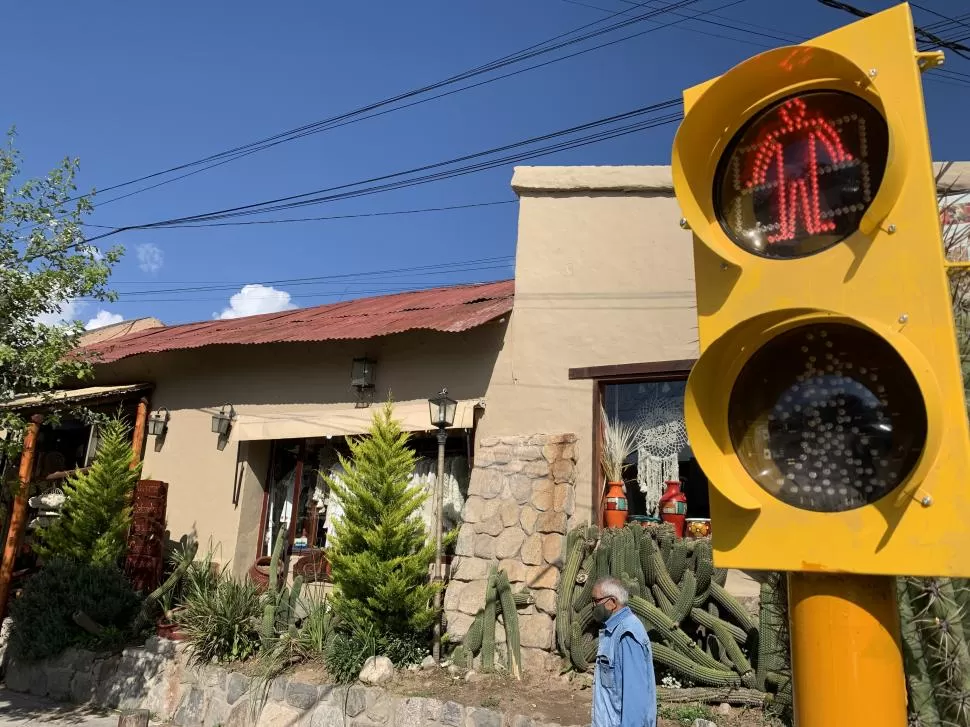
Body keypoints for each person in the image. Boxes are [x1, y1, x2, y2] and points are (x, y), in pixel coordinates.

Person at [591, 577, 657, 727]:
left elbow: (634, 698)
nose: (593, 606)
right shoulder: (614, 630)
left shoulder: (627, 634)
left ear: (612, 602)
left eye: (596, 601)